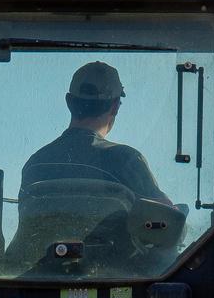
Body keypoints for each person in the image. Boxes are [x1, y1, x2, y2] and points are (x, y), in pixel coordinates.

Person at [20, 60, 172, 206]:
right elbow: (166, 220)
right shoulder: (127, 160)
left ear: (68, 101)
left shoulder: (35, 164)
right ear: (115, 107)